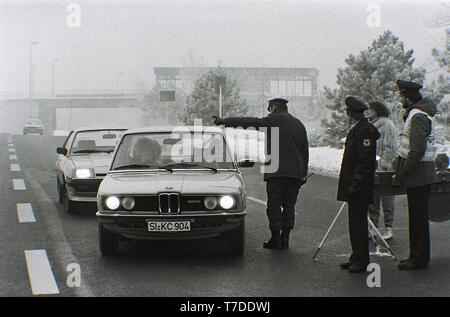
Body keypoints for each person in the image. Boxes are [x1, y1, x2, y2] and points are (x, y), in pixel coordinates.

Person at [213, 97, 309, 249]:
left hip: (276, 171)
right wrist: (303, 173)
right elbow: (305, 152)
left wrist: (224, 121)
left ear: (275, 107)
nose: (269, 112)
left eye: (269, 108)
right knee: (289, 206)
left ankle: (275, 238)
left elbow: (248, 122)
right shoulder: (299, 124)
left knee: (274, 205)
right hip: (295, 173)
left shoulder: (273, 120)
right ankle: (285, 239)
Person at [395, 80, 437, 270]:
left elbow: (417, 149)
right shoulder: (420, 114)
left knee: (417, 219)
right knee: (418, 217)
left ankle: (418, 258)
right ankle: (418, 256)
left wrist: (405, 170)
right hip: (421, 174)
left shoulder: (417, 116)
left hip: (418, 174)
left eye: (402, 96)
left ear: (408, 96)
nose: (400, 99)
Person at [337, 96, 380, 273]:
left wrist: (355, 185)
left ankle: (362, 260)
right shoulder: (358, 128)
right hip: (354, 184)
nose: (347, 114)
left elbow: (364, 162)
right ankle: (356, 256)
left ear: (353, 112)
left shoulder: (365, 130)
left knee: (359, 224)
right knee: (354, 223)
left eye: (348, 111)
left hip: (359, 186)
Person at [366, 100, 399, 240]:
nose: (368, 111)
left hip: (384, 168)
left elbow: (391, 147)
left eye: (371, 109)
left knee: (387, 199)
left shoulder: (387, 125)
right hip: (372, 166)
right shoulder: (370, 125)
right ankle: (373, 228)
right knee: (372, 199)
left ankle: (388, 228)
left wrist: (384, 164)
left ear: (377, 110)